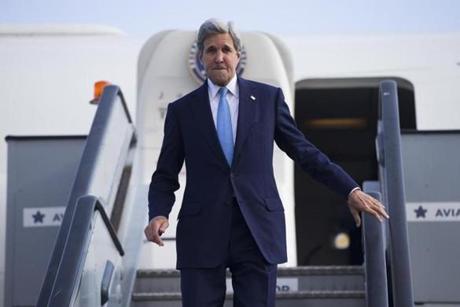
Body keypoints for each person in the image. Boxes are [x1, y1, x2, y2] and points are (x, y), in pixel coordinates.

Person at [144, 18, 389, 307]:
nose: (219, 56)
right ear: (201, 57)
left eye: (226, 49)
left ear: (237, 54)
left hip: (256, 230)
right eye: (211, 50)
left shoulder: (267, 99)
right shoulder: (182, 110)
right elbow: (165, 174)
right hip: (202, 231)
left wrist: (350, 189)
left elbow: (303, 151)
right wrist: (158, 213)